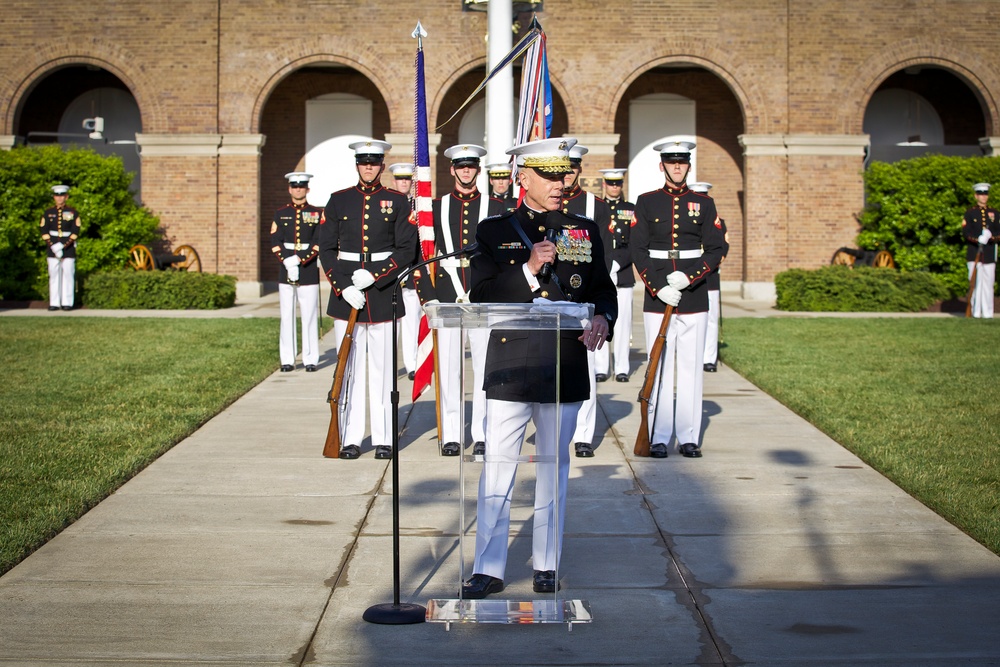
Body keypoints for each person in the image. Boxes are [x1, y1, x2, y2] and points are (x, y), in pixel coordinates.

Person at [461, 137, 617, 599]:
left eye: (564, 174)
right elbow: (481, 293)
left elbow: (602, 287)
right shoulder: (494, 230)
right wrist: (528, 269)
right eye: (549, 175)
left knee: (553, 467)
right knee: (498, 468)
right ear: (522, 177)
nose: (560, 183)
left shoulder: (584, 229)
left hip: (564, 361)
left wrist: (603, 317)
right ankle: (488, 567)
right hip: (511, 361)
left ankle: (546, 563)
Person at [319, 139, 416, 460]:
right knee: (348, 369)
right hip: (347, 296)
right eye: (364, 163)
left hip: (382, 293)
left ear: (382, 166)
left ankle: (385, 437)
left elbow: (406, 250)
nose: (369, 167)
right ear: (357, 165)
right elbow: (326, 249)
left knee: (383, 370)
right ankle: (349, 437)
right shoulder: (338, 201)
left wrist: (375, 274)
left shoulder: (398, 202)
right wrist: (342, 285)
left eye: (374, 163)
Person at [632, 138, 726, 459]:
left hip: (694, 294)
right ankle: (658, 436)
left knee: (690, 368)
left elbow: (716, 249)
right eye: (671, 162)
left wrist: (689, 276)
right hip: (658, 295)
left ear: (688, 165)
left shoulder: (704, 202)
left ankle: (688, 436)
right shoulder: (645, 202)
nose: (677, 166)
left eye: (682, 162)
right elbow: (638, 249)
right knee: (658, 367)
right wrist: (658, 286)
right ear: (662, 166)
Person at [413, 144, 490, 457]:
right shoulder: (434, 207)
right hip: (446, 295)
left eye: (471, 166)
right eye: (461, 166)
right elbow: (421, 252)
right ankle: (452, 434)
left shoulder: (495, 206)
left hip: (483, 297)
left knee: (486, 369)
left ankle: (483, 432)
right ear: (452, 170)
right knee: (450, 368)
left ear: (478, 170)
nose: (466, 171)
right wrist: (427, 297)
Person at [560, 144, 614, 458]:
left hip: (583, 299)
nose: (567, 174)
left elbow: (602, 264)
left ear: (580, 170)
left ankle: (583, 435)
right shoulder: (546, 202)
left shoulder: (596, 206)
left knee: (586, 366)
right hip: (550, 298)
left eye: (573, 168)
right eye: (562, 169)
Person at [270, 172, 323, 372]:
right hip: (286, 270)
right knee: (287, 315)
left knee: (309, 315)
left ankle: (310, 359)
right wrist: (287, 261)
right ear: (289, 189)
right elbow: (275, 241)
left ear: (307, 189)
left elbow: (318, 242)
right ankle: (287, 359)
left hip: (308, 269)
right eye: (295, 186)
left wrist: (300, 259)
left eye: (302, 186)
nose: (298, 189)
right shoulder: (280, 213)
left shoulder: (317, 213)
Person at [597, 168, 636, 383]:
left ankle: (622, 367)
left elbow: (636, 242)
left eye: (617, 184)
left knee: (622, 323)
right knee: (601, 319)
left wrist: (619, 263)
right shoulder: (598, 208)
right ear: (604, 184)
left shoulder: (630, 210)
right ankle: (601, 366)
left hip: (623, 275)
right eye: (610, 184)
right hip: (602, 274)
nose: (614, 187)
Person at [687, 182, 729, 372]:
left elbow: (723, 247)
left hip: (710, 276)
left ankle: (709, 358)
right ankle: (693, 355)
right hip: (691, 277)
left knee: (711, 319)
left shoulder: (718, 222)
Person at [388, 163, 421, 379]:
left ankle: (412, 364)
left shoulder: (419, 207)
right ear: (394, 181)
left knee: (411, 321)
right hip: (389, 271)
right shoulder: (385, 205)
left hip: (412, 271)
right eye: (400, 179)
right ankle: (390, 365)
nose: (404, 183)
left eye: (407, 180)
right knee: (391, 324)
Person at [40, 185, 81, 311]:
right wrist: (53, 246)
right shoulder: (48, 213)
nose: (59, 198)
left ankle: (67, 302)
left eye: (62, 196)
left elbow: (75, 230)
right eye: (57, 196)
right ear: (54, 197)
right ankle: (54, 302)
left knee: (68, 274)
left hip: (68, 248)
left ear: (66, 197)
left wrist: (63, 245)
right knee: (53, 274)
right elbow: (44, 229)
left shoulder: (73, 213)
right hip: (52, 248)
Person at [963, 182, 999, 319]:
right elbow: (966, 232)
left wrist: (991, 237)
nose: (983, 197)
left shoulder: (995, 213)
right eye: (980, 194)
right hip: (974, 253)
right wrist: (977, 239)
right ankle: (974, 312)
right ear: (976, 196)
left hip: (989, 253)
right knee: (975, 283)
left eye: (985, 194)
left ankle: (988, 313)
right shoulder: (970, 213)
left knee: (988, 284)